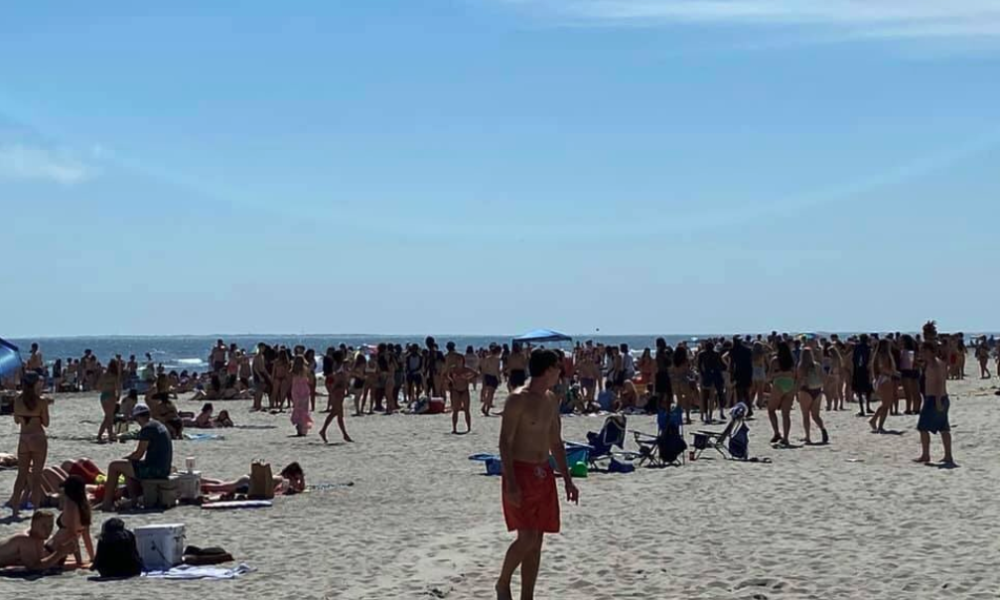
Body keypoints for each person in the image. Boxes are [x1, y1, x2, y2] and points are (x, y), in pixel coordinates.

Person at [496, 350, 579, 600]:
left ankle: (527, 597)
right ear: (547, 369)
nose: (561, 372)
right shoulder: (517, 400)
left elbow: (556, 441)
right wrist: (510, 483)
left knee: (537, 542)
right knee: (527, 537)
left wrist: (567, 479)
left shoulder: (551, 399)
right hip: (520, 472)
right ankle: (503, 582)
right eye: (558, 367)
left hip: (543, 472)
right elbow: (504, 443)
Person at [101, 404, 173, 511]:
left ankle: (106, 503)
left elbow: (138, 454)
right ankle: (133, 499)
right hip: (164, 467)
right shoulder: (158, 425)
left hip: (154, 470)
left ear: (138, 418)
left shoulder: (148, 429)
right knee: (128, 466)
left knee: (114, 466)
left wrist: (125, 459)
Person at [8, 373, 50, 517]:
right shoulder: (41, 401)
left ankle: (15, 508)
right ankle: (36, 509)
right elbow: (46, 423)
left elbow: (16, 421)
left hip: (24, 438)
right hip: (38, 437)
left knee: (21, 475)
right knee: (37, 476)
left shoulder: (18, 400)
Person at [914, 341, 955, 466]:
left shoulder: (936, 364)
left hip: (935, 398)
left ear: (931, 352)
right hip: (938, 398)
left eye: (924, 351)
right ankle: (948, 455)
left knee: (923, 427)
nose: (922, 353)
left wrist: (937, 401)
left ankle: (926, 455)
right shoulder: (932, 364)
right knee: (943, 428)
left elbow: (939, 382)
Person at [46, 475, 94, 566]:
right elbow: (86, 536)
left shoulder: (70, 505)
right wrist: (92, 558)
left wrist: (79, 561)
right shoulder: (85, 506)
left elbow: (72, 535)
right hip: (62, 552)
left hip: (52, 550)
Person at [0, 511, 73, 570]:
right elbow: (35, 567)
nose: (48, 530)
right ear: (33, 525)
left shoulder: (38, 537)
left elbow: (39, 560)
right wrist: (59, 553)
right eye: (43, 526)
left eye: (50, 526)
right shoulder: (26, 540)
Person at [201, 462, 306, 496]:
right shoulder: (283, 480)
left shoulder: (280, 477)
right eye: (297, 479)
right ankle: (202, 486)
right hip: (251, 482)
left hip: (250, 480)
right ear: (290, 475)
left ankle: (202, 479)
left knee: (226, 485)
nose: (298, 482)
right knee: (224, 487)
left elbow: (300, 488)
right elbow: (278, 491)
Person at [796, 348, 829, 445]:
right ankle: (823, 430)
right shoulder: (817, 365)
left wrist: (796, 393)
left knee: (805, 415)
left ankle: (808, 437)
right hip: (817, 390)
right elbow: (824, 377)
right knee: (815, 415)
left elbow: (799, 380)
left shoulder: (801, 366)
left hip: (806, 390)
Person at [319, 351, 353, 444]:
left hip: (338, 390)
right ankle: (324, 430)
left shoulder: (336, 365)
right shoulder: (340, 366)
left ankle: (344, 434)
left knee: (338, 414)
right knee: (335, 412)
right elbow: (340, 378)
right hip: (338, 390)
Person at [768, 342, 797, 446]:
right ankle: (786, 437)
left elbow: (770, 376)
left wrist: (778, 374)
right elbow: (795, 374)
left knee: (771, 410)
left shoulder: (775, 360)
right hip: (790, 384)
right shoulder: (791, 361)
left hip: (779, 383)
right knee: (786, 414)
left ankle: (776, 433)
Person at [447, 355, 477, 435]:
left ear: (463, 361)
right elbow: (446, 375)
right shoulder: (453, 368)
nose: (458, 362)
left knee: (466, 410)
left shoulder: (466, 369)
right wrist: (452, 380)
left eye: (460, 360)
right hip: (456, 390)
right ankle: (454, 428)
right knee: (455, 410)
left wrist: (467, 377)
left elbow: (476, 374)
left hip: (464, 390)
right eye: (457, 360)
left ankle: (469, 428)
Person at [96, 359, 122, 444]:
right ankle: (108, 435)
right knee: (109, 417)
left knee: (108, 416)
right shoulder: (114, 376)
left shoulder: (104, 375)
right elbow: (118, 386)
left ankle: (103, 434)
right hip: (111, 395)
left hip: (104, 395)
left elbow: (98, 386)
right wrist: (118, 395)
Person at [290, 356, 313, 437]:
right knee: (304, 409)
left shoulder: (293, 370)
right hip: (304, 390)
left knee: (297, 408)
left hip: (295, 390)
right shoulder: (305, 370)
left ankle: (299, 427)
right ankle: (303, 428)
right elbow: (310, 380)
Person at [480, 345, 502, 416]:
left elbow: (484, 368)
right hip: (493, 377)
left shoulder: (487, 358)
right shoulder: (497, 360)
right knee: (491, 394)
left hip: (487, 376)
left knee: (489, 393)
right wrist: (499, 379)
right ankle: (486, 409)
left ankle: (484, 407)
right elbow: (497, 371)